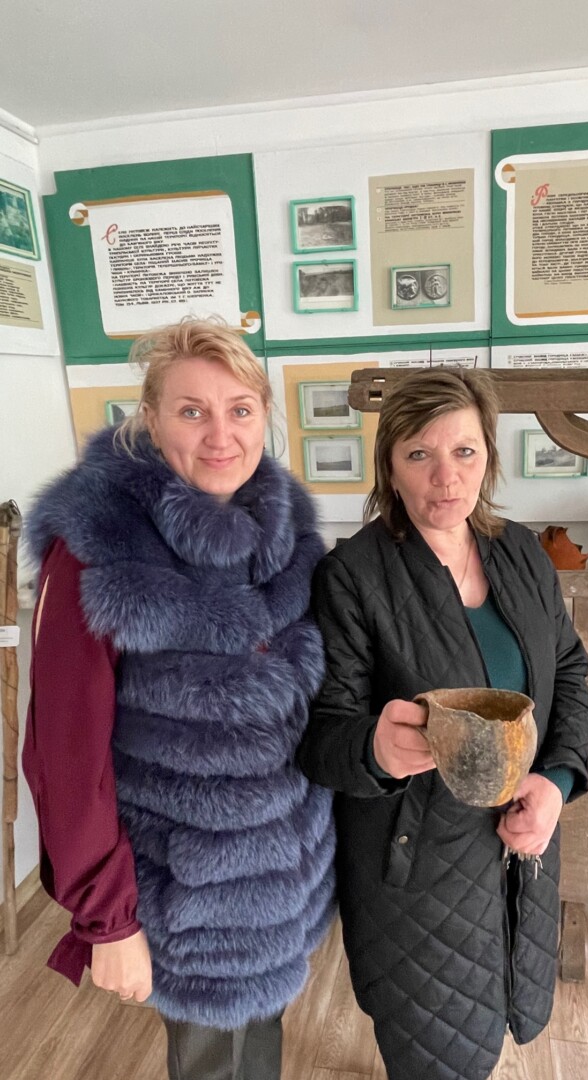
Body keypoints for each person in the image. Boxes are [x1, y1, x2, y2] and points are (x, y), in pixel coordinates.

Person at [23, 319, 335, 1080]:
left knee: (259, 1051)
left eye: (240, 409)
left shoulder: (288, 529)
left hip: (287, 883)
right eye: (192, 411)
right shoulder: (98, 544)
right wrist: (107, 920)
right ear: (151, 417)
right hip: (186, 893)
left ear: (265, 414)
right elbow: (64, 755)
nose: (220, 435)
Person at [297, 367, 588, 1080]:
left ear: (488, 454)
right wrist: (374, 748)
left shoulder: (520, 552)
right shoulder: (353, 575)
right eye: (419, 454)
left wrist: (556, 783)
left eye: (464, 451)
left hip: (521, 842)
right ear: (389, 467)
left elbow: (568, 672)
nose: (446, 477)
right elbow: (320, 736)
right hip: (416, 861)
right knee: (438, 1052)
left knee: (499, 1017)